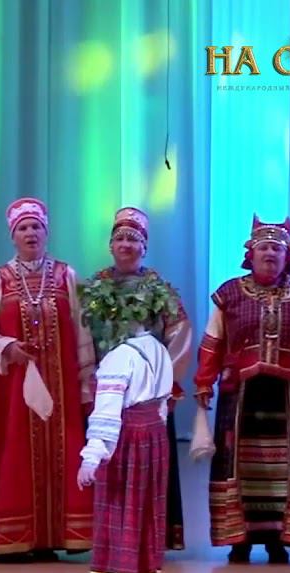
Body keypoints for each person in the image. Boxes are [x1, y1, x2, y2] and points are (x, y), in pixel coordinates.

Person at [195, 216, 290, 563]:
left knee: (283, 468)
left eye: (277, 248)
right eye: (264, 248)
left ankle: (278, 539)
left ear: (288, 256)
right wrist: (204, 381)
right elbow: (213, 340)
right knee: (241, 466)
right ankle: (239, 540)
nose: (270, 253)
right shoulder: (229, 294)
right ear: (251, 254)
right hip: (241, 395)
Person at [0, 197, 96, 562]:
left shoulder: (67, 276)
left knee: (62, 451)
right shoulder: (0, 279)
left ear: (46, 232)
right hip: (14, 390)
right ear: (13, 236)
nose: (30, 233)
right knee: (15, 452)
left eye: (36, 226)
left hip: (61, 384)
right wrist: (7, 346)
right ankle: (13, 537)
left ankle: (51, 536)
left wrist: (87, 382)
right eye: (23, 228)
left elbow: (83, 331)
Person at [78, 276, 175, 573]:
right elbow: (163, 404)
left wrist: (92, 457)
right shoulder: (160, 350)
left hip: (127, 442)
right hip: (154, 439)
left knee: (123, 522)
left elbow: (107, 413)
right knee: (147, 523)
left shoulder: (119, 357)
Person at [90, 207, 192, 550]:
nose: (125, 245)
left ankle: (150, 534)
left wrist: (166, 385)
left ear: (144, 247)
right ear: (110, 245)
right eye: (119, 238)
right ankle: (112, 534)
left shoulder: (159, 289)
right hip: (108, 388)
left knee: (150, 462)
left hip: (147, 390)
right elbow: (82, 335)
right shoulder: (95, 287)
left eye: (133, 239)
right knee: (108, 455)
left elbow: (179, 335)